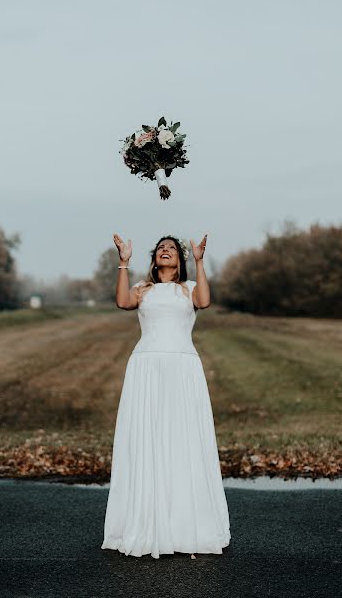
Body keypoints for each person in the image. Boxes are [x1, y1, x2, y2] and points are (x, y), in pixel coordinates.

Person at [101, 233, 231, 560]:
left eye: (172, 248)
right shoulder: (142, 289)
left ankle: (184, 524)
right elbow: (121, 302)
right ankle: (147, 522)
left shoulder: (187, 289)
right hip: (146, 367)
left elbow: (203, 302)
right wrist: (124, 261)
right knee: (149, 438)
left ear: (180, 259)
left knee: (181, 438)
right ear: (154, 257)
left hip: (182, 367)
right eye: (161, 248)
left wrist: (201, 261)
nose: (165, 251)